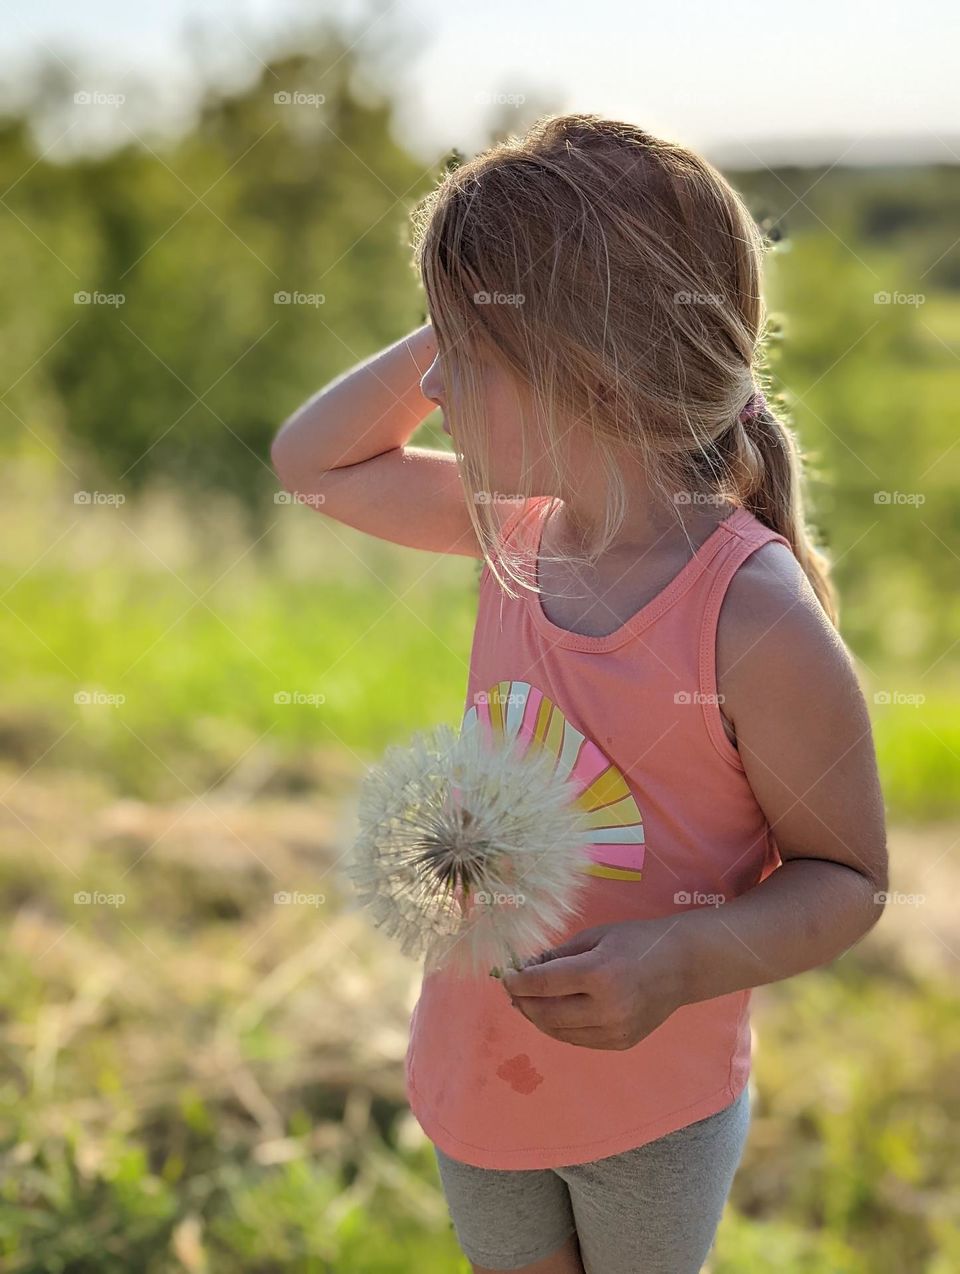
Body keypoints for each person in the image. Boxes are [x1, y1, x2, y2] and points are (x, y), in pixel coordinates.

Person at [270, 113, 889, 1274]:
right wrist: (475, 291)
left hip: (650, 1106)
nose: (437, 384)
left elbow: (850, 881)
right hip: (479, 1067)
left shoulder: (752, 619)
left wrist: (677, 962)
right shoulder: (518, 522)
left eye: (469, 351)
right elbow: (312, 463)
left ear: (589, 365)